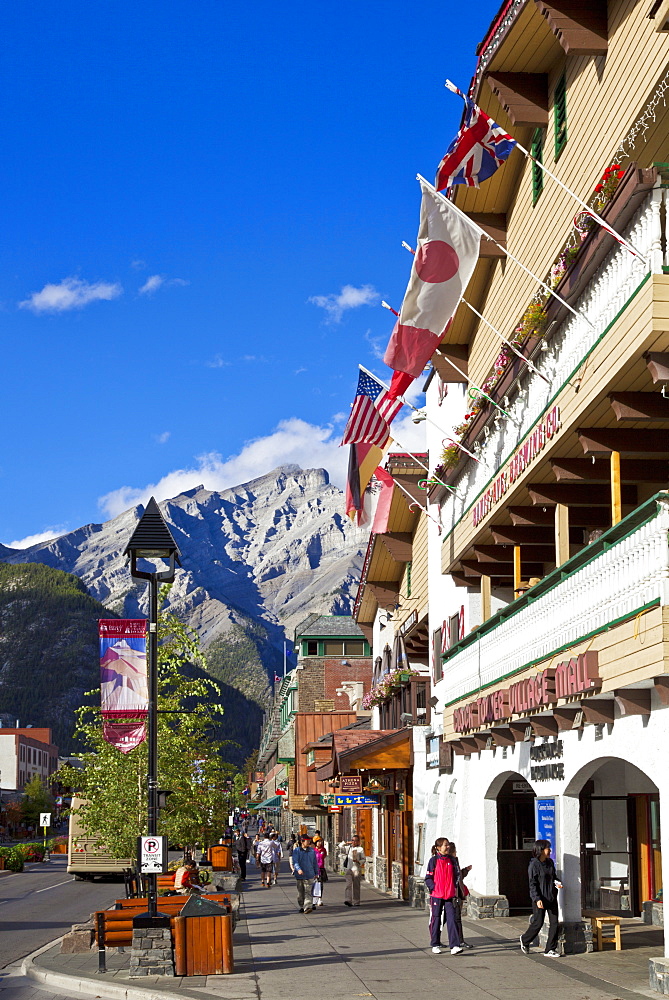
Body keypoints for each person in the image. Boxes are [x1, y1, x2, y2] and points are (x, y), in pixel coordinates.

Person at [520, 839, 563, 957]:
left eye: (549, 848)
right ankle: (525, 939)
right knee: (538, 923)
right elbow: (532, 884)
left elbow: (554, 877)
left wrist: (558, 882)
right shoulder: (534, 865)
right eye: (547, 848)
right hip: (540, 899)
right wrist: (537, 899)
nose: (549, 850)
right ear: (540, 850)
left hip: (552, 897)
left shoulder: (550, 863)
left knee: (554, 923)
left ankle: (550, 949)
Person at [424, 838, 462, 955]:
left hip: (449, 896)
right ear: (438, 848)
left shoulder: (452, 860)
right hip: (437, 895)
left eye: (448, 845)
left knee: (452, 920)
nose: (448, 847)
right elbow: (428, 878)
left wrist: (453, 888)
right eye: (445, 845)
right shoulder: (433, 861)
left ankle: (454, 945)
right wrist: (434, 888)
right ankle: (435, 944)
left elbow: (456, 875)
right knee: (436, 920)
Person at [447, 842, 473, 949]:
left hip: (456, 893)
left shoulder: (454, 861)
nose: (456, 853)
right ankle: (458, 941)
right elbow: (455, 877)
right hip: (453, 894)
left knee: (454, 918)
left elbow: (458, 876)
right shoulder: (450, 862)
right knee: (455, 918)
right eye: (455, 851)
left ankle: (457, 940)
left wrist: (465, 870)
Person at [292, 834, 319, 913]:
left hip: (309, 874)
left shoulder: (311, 851)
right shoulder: (297, 851)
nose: (309, 842)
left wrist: (316, 872)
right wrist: (298, 869)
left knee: (308, 891)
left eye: (309, 841)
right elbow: (295, 861)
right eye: (307, 841)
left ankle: (307, 907)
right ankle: (302, 905)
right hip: (300, 875)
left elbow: (314, 862)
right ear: (302, 842)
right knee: (301, 893)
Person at [340, 835, 365, 907]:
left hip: (356, 868)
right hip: (348, 868)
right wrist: (346, 842)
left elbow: (363, 859)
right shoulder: (349, 848)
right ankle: (348, 900)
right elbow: (340, 846)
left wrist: (358, 861)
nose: (354, 842)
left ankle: (356, 901)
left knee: (356, 886)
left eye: (355, 840)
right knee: (348, 884)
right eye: (353, 840)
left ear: (358, 841)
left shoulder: (360, 849)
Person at [313, 836, 328, 906]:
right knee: (314, 884)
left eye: (320, 841)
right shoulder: (313, 850)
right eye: (318, 841)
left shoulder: (323, 850)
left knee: (320, 884)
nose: (319, 843)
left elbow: (324, 856)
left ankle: (320, 899)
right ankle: (314, 898)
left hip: (321, 868)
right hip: (314, 869)